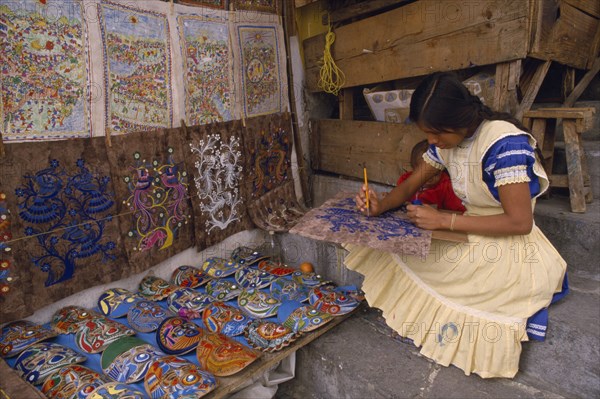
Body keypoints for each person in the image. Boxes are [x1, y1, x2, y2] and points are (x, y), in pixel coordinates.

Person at [350, 72, 567, 378]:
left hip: (509, 244)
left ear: (461, 118)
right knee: (395, 249)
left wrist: (444, 220)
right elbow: (412, 183)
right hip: (470, 229)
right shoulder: (448, 140)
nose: (432, 142)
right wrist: (380, 205)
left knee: (465, 285)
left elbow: (520, 223)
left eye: (436, 134)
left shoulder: (504, 145)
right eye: (427, 134)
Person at [397, 139, 466, 212]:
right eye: (424, 174)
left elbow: (459, 212)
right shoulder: (405, 180)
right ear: (414, 169)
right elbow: (398, 199)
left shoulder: (446, 186)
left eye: (435, 174)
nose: (429, 178)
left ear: (441, 169)